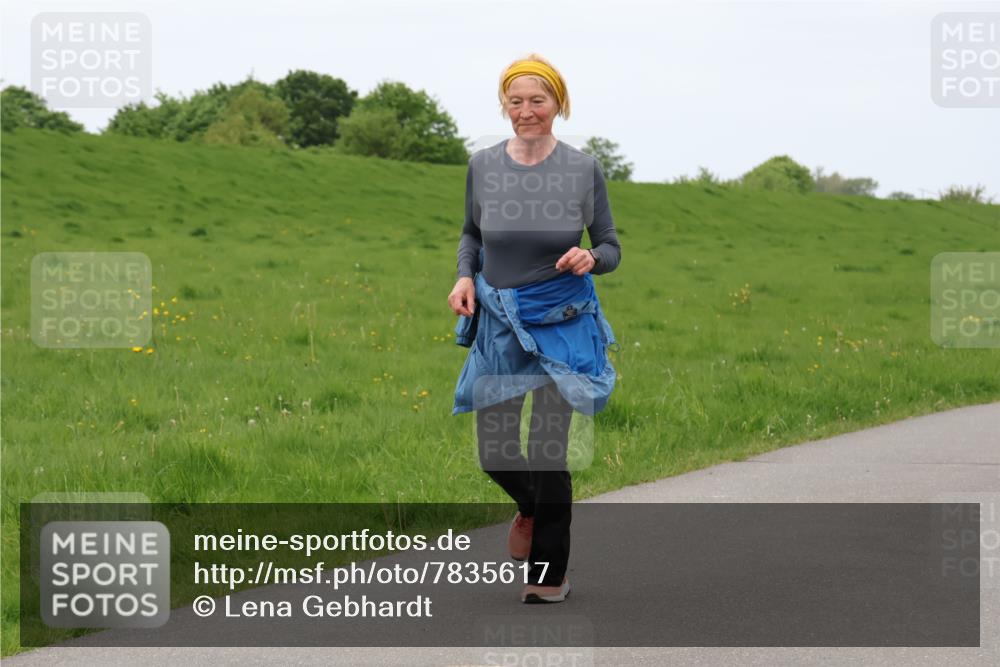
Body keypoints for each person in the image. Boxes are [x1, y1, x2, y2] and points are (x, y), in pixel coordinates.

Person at [447, 54, 622, 604]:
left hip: (562, 323)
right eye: (516, 100)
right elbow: (471, 236)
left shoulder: (582, 168)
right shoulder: (483, 165)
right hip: (499, 320)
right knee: (496, 451)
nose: (526, 111)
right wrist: (463, 277)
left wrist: (591, 258)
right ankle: (527, 507)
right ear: (505, 104)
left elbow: (612, 246)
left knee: (548, 453)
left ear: (558, 104)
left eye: (538, 100)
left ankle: (549, 577)